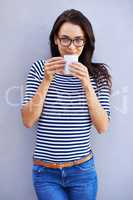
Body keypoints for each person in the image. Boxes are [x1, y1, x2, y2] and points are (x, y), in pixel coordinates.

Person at [21, 9, 112, 200]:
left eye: (78, 39)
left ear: (86, 41)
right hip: (46, 173)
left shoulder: (98, 74)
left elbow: (102, 127)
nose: (71, 47)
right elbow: (28, 120)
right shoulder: (40, 69)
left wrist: (87, 84)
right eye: (65, 39)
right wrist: (46, 80)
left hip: (82, 172)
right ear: (55, 39)